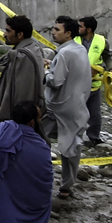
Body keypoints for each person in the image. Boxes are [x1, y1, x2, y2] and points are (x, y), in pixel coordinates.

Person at [43, 16, 90, 199]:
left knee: (36, 137)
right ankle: (66, 186)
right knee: (71, 148)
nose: (53, 32)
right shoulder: (79, 50)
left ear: (68, 33)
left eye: (57, 29)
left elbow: (56, 81)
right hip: (77, 106)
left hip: (59, 107)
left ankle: (37, 177)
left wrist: (45, 72)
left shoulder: (63, 53)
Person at [0, 15, 47, 123]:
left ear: (20, 34)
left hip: (18, 120)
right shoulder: (30, 49)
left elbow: (21, 93)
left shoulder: (24, 57)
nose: (4, 34)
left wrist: (7, 119)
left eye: (8, 31)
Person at [76, 16, 109, 146]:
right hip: (77, 84)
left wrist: (111, 68)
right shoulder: (74, 39)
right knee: (76, 112)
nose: (78, 28)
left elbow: (107, 56)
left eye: (81, 26)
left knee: (94, 114)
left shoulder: (101, 41)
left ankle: (93, 137)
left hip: (94, 84)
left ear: (88, 29)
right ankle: (75, 137)